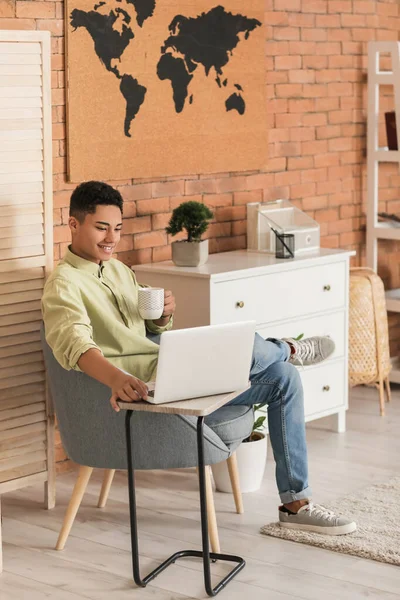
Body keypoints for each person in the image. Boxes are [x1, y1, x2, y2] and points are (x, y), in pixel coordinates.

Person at [42, 181, 356, 536]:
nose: (111, 238)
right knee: (251, 348)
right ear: (73, 225)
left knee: (284, 378)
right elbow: (74, 345)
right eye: (101, 227)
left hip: (173, 373)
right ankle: (289, 347)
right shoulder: (63, 284)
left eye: (117, 228)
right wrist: (116, 379)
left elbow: (148, 327)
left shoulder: (117, 269)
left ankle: (295, 504)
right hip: (147, 392)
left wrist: (162, 316)